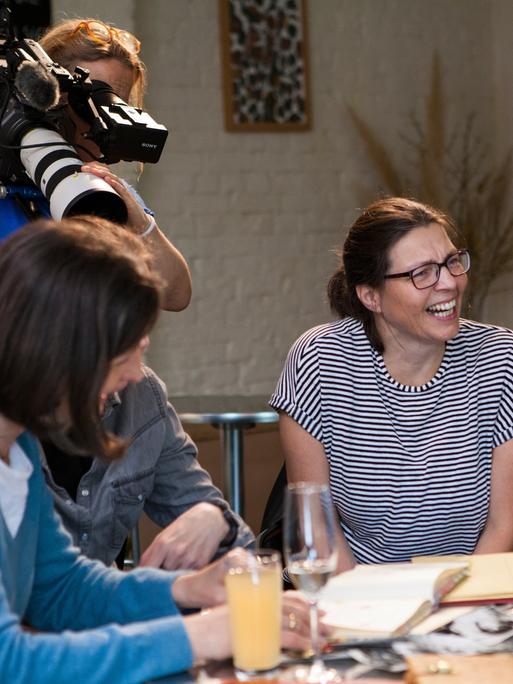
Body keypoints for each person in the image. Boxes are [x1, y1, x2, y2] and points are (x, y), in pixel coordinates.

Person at [0, 218, 314, 683]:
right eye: (126, 352)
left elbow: (61, 588)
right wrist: (203, 636)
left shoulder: (18, 448)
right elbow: (12, 662)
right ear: (60, 349)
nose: (134, 374)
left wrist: (188, 588)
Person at [33, 17, 253, 568]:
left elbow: (175, 290)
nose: (97, 119)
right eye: (88, 96)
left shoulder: (137, 401)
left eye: (116, 104)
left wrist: (132, 216)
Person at [270, 197, 513, 570]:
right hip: (358, 592)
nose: (449, 283)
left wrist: (458, 612)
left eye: (451, 262)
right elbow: (318, 527)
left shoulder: (500, 358)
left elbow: (503, 526)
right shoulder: (320, 359)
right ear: (371, 296)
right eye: (422, 273)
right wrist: (361, 615)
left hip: (469, 592)